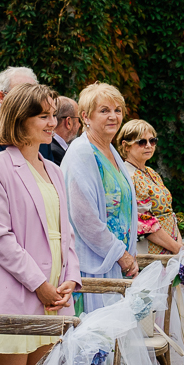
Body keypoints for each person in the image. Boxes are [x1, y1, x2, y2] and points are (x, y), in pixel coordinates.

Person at [0, 82, 79, 365]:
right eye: (43, 117)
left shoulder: (54, 169)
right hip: (17, 293)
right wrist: (40, 285)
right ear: (20, 119)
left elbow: (66, 232)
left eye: (54, 115)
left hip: (56, 297)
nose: (53, 124)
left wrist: (70, 278)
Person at [63, 83, 139, 309]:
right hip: (95, 267)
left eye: (117, 110)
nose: (113, 116)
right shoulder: (82, 153)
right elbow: (83, 217)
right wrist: (121, 255)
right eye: (104, 110)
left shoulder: (111, 151)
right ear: (86, 116)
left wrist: (126, 256)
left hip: (117, 263)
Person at [116, 118, 182, 256]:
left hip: (170, 247)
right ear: (126, 145)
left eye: (152, 141)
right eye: (142, 142)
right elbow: (144, 222)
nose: (149, 145)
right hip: (150, 251)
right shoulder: (129, 176)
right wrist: (176, 248)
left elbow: (169, 212)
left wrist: (178, 245)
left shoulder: (151, 172)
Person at [43, 96, 80, 166]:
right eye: (79, 120)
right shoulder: (54, 152)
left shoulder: (50, 147)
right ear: (68, 122)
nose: (80, 125)